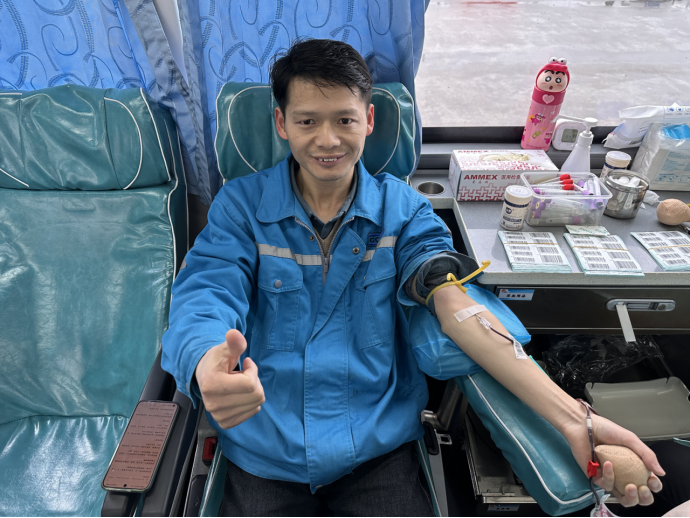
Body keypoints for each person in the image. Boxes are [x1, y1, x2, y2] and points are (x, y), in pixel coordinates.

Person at [162, 39, 664, 517]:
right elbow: (206, 292)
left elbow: (455, 304)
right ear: (281, 123)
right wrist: (207, 363)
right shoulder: (242, 207)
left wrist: (577, 419)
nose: (328, 140)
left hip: (375, 446)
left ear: (369, 120)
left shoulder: (403, 211)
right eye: (307, 121)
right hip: (266, 442)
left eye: (344, 120)